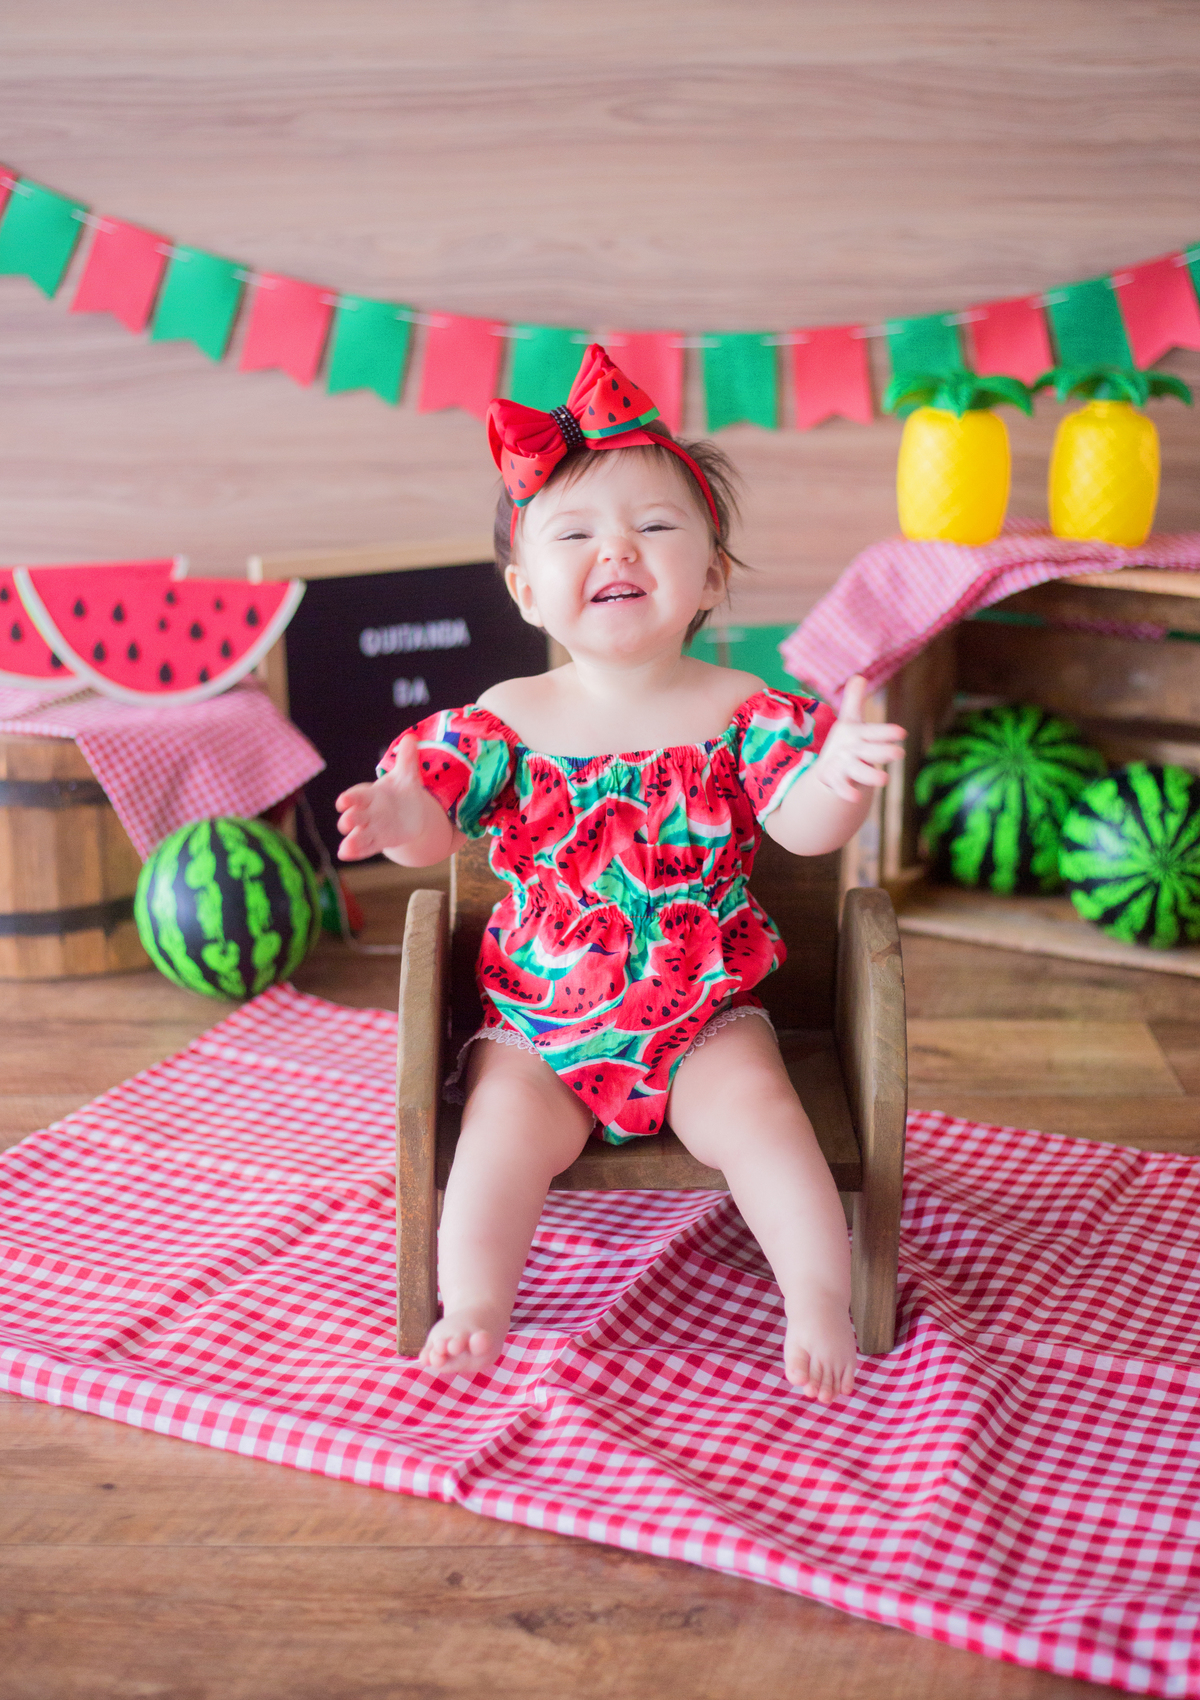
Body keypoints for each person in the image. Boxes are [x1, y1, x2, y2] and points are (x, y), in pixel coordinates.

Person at [336, 345, 905, 1401]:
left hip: (704, 1015)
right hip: (541, 1022)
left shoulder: (746, 709)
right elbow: (433, 825)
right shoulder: (503, 718)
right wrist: (403, 813)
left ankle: (819, 1292)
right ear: (525, 589)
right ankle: (477, 1303)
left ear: (713, 576)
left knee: (768, 1126)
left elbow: (810, 828)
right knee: (499, 1141)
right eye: (575, 533)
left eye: (654, 527)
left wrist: (847, 775)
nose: (618, 550)